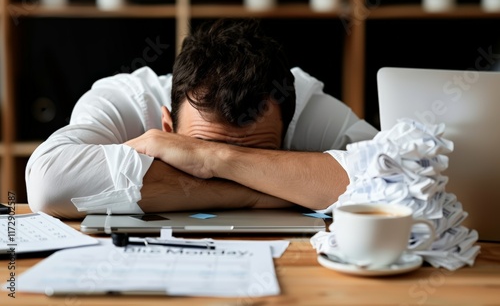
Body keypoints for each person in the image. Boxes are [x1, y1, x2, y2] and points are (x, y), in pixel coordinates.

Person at [26, 18, 378, 219]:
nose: (217, 159)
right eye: (203, 145)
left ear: (289, 131)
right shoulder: (125, 100)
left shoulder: (305, 105)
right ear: (167, 126)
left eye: (252, 151)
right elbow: (47, 186)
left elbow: (403, 178)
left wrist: (210, 157)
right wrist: (252, 193)